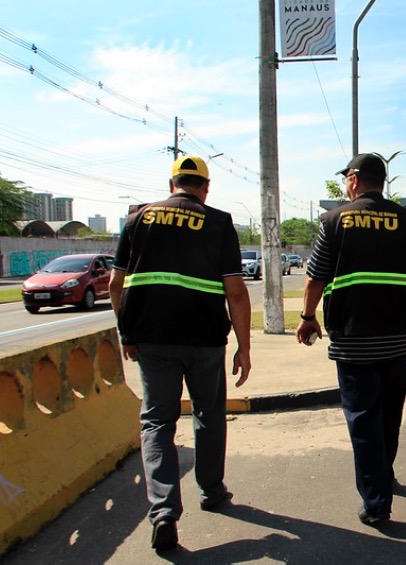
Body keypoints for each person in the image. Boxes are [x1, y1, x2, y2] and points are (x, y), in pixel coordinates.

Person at [296, 153, 406, 526]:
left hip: (353, 340)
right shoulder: (405, 220)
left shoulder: (333, 221)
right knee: (388, 414)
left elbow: (315, 278)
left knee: (363, 419)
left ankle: (376, 503)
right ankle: (384, 474)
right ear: (382, 182)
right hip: (397, 340)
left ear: (353, 179)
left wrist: (306, 317)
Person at [109, 155, 251, 551]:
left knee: (156, 421)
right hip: (205, 340)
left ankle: (164, 511)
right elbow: (236, 291)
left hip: (152, 339)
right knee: (208, 415)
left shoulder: (137, 219)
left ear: (171, 183)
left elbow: (115, 286)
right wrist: (244, 344)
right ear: (205, 187)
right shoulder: (219, 222)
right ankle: (212, 491)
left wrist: (126, 332)